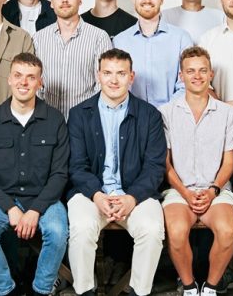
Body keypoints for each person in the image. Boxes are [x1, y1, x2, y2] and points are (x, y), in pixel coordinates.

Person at [66, 49, 166, 296]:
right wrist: (96, 194)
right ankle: (85, 291)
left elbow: (155, 167)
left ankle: (138, 292)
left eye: (121, 73)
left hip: (134, 193)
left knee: (152, 229)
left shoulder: (150, 115)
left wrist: (132, 197)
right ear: (98, 75)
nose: (113, 80)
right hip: (91, 193)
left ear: (131, 77)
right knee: (81, 227)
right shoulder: (79, 114)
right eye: (107, 73)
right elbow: (76, 166)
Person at [0, 53, 69, 296]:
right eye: (18, 75)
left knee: (58, 232)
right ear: (9, 79)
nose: (23, 82)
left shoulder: (55, 119)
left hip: (44, 198)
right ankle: (6, 291)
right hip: (1, 199)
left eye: (31, 77)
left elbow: (60, 173)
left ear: (40, 82)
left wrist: (35, 210)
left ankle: (41, 290)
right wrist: (10, 208)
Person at [160, 46, 233, 296]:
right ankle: (189, 287)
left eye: (202, 70)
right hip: (179, 190)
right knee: (176, 231)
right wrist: (185, 193)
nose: (197, 76)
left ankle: (210, 288)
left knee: (227, 230)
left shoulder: (227, 113)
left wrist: (213, 190)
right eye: (190, 71)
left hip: (216, 189)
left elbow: (229, 162)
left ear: (211, 74)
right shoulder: (166, 113)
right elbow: (165, 164)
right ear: (181, 76)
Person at [32, 0, 112, 117]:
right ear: (52, 3)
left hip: (85, 121)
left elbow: (103, 84)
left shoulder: (99, 37)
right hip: (47, 121)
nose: (64, 0)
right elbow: (35, 81)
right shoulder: (38, 38)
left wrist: (88, 117)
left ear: (79, 0)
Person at [113, 0, 192, 107]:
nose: (147, 0)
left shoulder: (181, 39)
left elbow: (186, 85)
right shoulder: (120, 41)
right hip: (132, 116)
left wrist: (163, 113)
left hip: (170, 115)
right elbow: (116, 86)